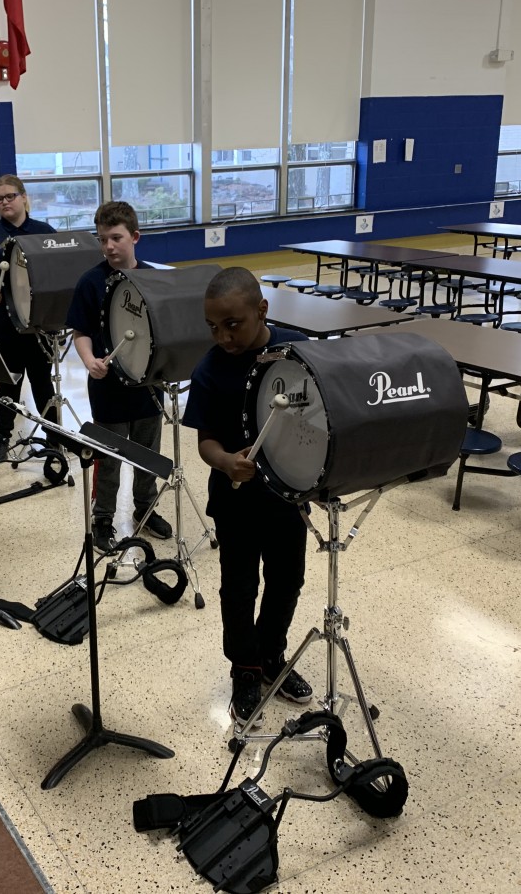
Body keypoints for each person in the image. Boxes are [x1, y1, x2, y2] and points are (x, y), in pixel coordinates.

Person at [181, 266, 314, 732]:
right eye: (213, 327)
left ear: (262, 310)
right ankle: (245, 669)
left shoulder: (298, 352)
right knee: (238, 588)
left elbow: (324, 413)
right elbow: (205, 442)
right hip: (235, 501)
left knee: (287, 580)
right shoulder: (211, 368)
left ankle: (272, 655)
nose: (223, 336)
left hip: (288, 497)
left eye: (233, 324)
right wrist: (224, 461)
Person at [67, 201, 173, 552]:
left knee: (147, 455)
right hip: (107, 388)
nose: (109, 246)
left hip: (147, 388)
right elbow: (79, 332)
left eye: (116, 238)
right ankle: (103, 518)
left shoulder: (153, 279)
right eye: (102, 240)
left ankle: (146, 510)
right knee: (108, 459)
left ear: (135, 236)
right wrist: (88, 360)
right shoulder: (90, 281)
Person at [0, 174, 57, 461]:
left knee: (44, 383)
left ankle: (54, 438)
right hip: (4, 322)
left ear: (23, 197)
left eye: (10, 196)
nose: (4, 202)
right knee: (9, 382)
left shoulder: (44, 232)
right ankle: (1, 439)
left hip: (39, 324)